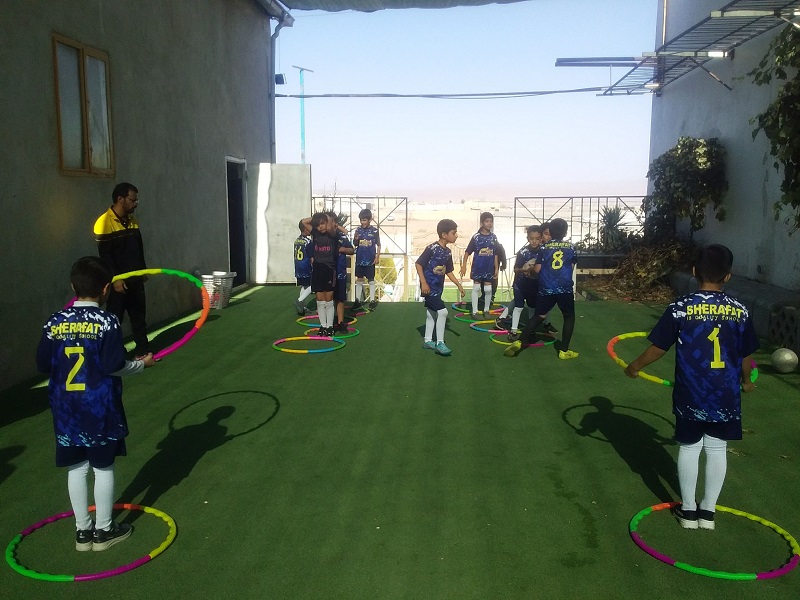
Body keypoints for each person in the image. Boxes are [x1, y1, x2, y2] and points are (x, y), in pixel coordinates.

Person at [624, 244, 758, 530]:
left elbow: (658, 348)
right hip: (725, 392)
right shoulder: (740, 310)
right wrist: (747, 381)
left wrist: (634, 366)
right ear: (728, 276)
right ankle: (707, 513)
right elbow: (746, 355)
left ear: (694, 271)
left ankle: (688, 511)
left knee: (689, 447)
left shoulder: (680, 307)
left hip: (691, 391)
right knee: (717, 448)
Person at [36, 256, 156, 551]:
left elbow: (42, 364)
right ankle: (104, 530)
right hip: (100, 407)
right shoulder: (107, 322)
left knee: (76, 468)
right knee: (102, 467)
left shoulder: (54, 321)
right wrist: (142, 365)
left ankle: (82, 532)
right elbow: (115, 365)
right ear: (106, 289)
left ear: (72, 287)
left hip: (66, 409)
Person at [504, 218, 578, 359]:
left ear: (550, 232)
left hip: (547, 288)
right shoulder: (571, 248)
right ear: (565, 232)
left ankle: (519, 341)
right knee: (569, 317)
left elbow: (537, 269)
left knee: (539, 315)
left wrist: (529, 270)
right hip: (564, 288)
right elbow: (571, 267)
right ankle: (564, 350)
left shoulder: (544, 248)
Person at [93, 182, 149, 358]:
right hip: (117, 283)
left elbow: (138, 249)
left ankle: (143, 352)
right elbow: (105, 256)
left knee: (139, 318)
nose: (135, 204)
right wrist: (116, 279)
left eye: (136, 200)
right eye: (132, 200)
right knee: (114, 320)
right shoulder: (103, 222)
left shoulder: (133, 221)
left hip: (135, 279)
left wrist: (143, 271)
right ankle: (114, 354)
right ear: (120, 199)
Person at [416, 219, 465, 356]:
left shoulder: (448, 252)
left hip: (438, 288)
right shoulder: (431, 248)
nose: (456, 235)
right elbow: (419, 264)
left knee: (431, 313)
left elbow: (448, 271)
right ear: (444, 235)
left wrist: (458, 285)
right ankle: (440, 343)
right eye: (454, 233)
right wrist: (424, 282)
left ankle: (427, 340)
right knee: (443, 312)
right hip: (428, 288)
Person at [303, 213, 352, 337]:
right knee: (320, 299)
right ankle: (323, 326)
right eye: (318, 224)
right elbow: (304, 222)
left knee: (328, 299)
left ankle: (330, 326)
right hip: (317, 269)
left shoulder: (332, 235)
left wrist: (326, 217)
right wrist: (319, 217)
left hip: (329, 269)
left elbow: (331, 226)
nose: (321, 227)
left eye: (323, 223)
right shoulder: (315, 233)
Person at [503, 225, 543, 337]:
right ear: (527, 238)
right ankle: (513, 331)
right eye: (531, 238)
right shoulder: (523, 252)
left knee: (532, 307)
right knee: (518, 307)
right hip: (520, 284)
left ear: (541, 239)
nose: (534, 241)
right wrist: (523, 269)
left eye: (537, 239)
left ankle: (530, 330)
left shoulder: (543, 252)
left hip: (534, 284)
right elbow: (516, 269)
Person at [460, 212, 499, 319]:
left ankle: (486, 310)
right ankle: (475, 311)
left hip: (489, 267)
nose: (489, 223)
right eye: (487, 221)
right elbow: (467, 252)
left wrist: (496, 268)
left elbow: (495, 254)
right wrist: (464, 266)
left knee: (488, 289)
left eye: (491, 221)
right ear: (482, 223)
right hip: (478, 267)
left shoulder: (493, 237)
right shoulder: (476, 237)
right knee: (476, 288)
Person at [328, 212, 354, 334]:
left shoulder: (342, 237)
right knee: (327, 299)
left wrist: (343, 249)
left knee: (340, 298)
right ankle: (328, 324)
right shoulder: (322, 237)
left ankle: (340, 322)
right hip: (327, 273)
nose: (333, 224)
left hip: (340, 273)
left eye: (334, 222)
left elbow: (352, 250)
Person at [352, 208, 381, 310]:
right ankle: (357, 300)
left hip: (370, 260)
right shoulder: (358, 230)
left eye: (364, 220)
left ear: (369, 220)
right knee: (359, 279)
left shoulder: (375, 231)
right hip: (360, 259)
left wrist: (377, 256)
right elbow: (355, 244)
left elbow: (378, 245)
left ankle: (372, 300)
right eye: (361, 220)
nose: (362, 222)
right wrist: (356, 239)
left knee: (371, 279)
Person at [293, 220, 314, 316]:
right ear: (305, 229)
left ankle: (302, 307)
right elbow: (312, 258)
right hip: (306, 267)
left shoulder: (296, 240)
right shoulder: (308, 242)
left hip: (298, 267)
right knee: (312, 285)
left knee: (304, 286)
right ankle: (299, 300)